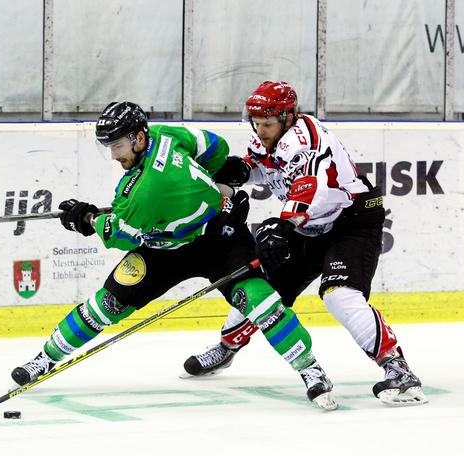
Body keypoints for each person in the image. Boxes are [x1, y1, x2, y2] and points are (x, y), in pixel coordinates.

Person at [11, 101, 338, 411]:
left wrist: (85, 219)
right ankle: (46, 357)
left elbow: (118, 234)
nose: (113, 155)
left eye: (118, 146)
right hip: (177, 246)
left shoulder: (141, 192)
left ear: (138, 138)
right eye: (108, 147)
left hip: (214, 241)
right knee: (109, 303)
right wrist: (220, 186)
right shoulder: (165, 134)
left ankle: (309, 368)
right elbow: (215, 148)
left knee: (257, 299)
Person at [182, 81, 426, 406]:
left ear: (287, 116)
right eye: (256, 122)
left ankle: (398, 369)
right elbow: (264, 169)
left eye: (266, 123)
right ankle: (227, 348)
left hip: (351, 220)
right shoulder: (268, 136)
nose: (260, 129)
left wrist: (283, 225)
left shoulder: (307, 141)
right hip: (311, 226)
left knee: (340, 296)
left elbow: (309, 190)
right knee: (262, 292)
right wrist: (241, 170)